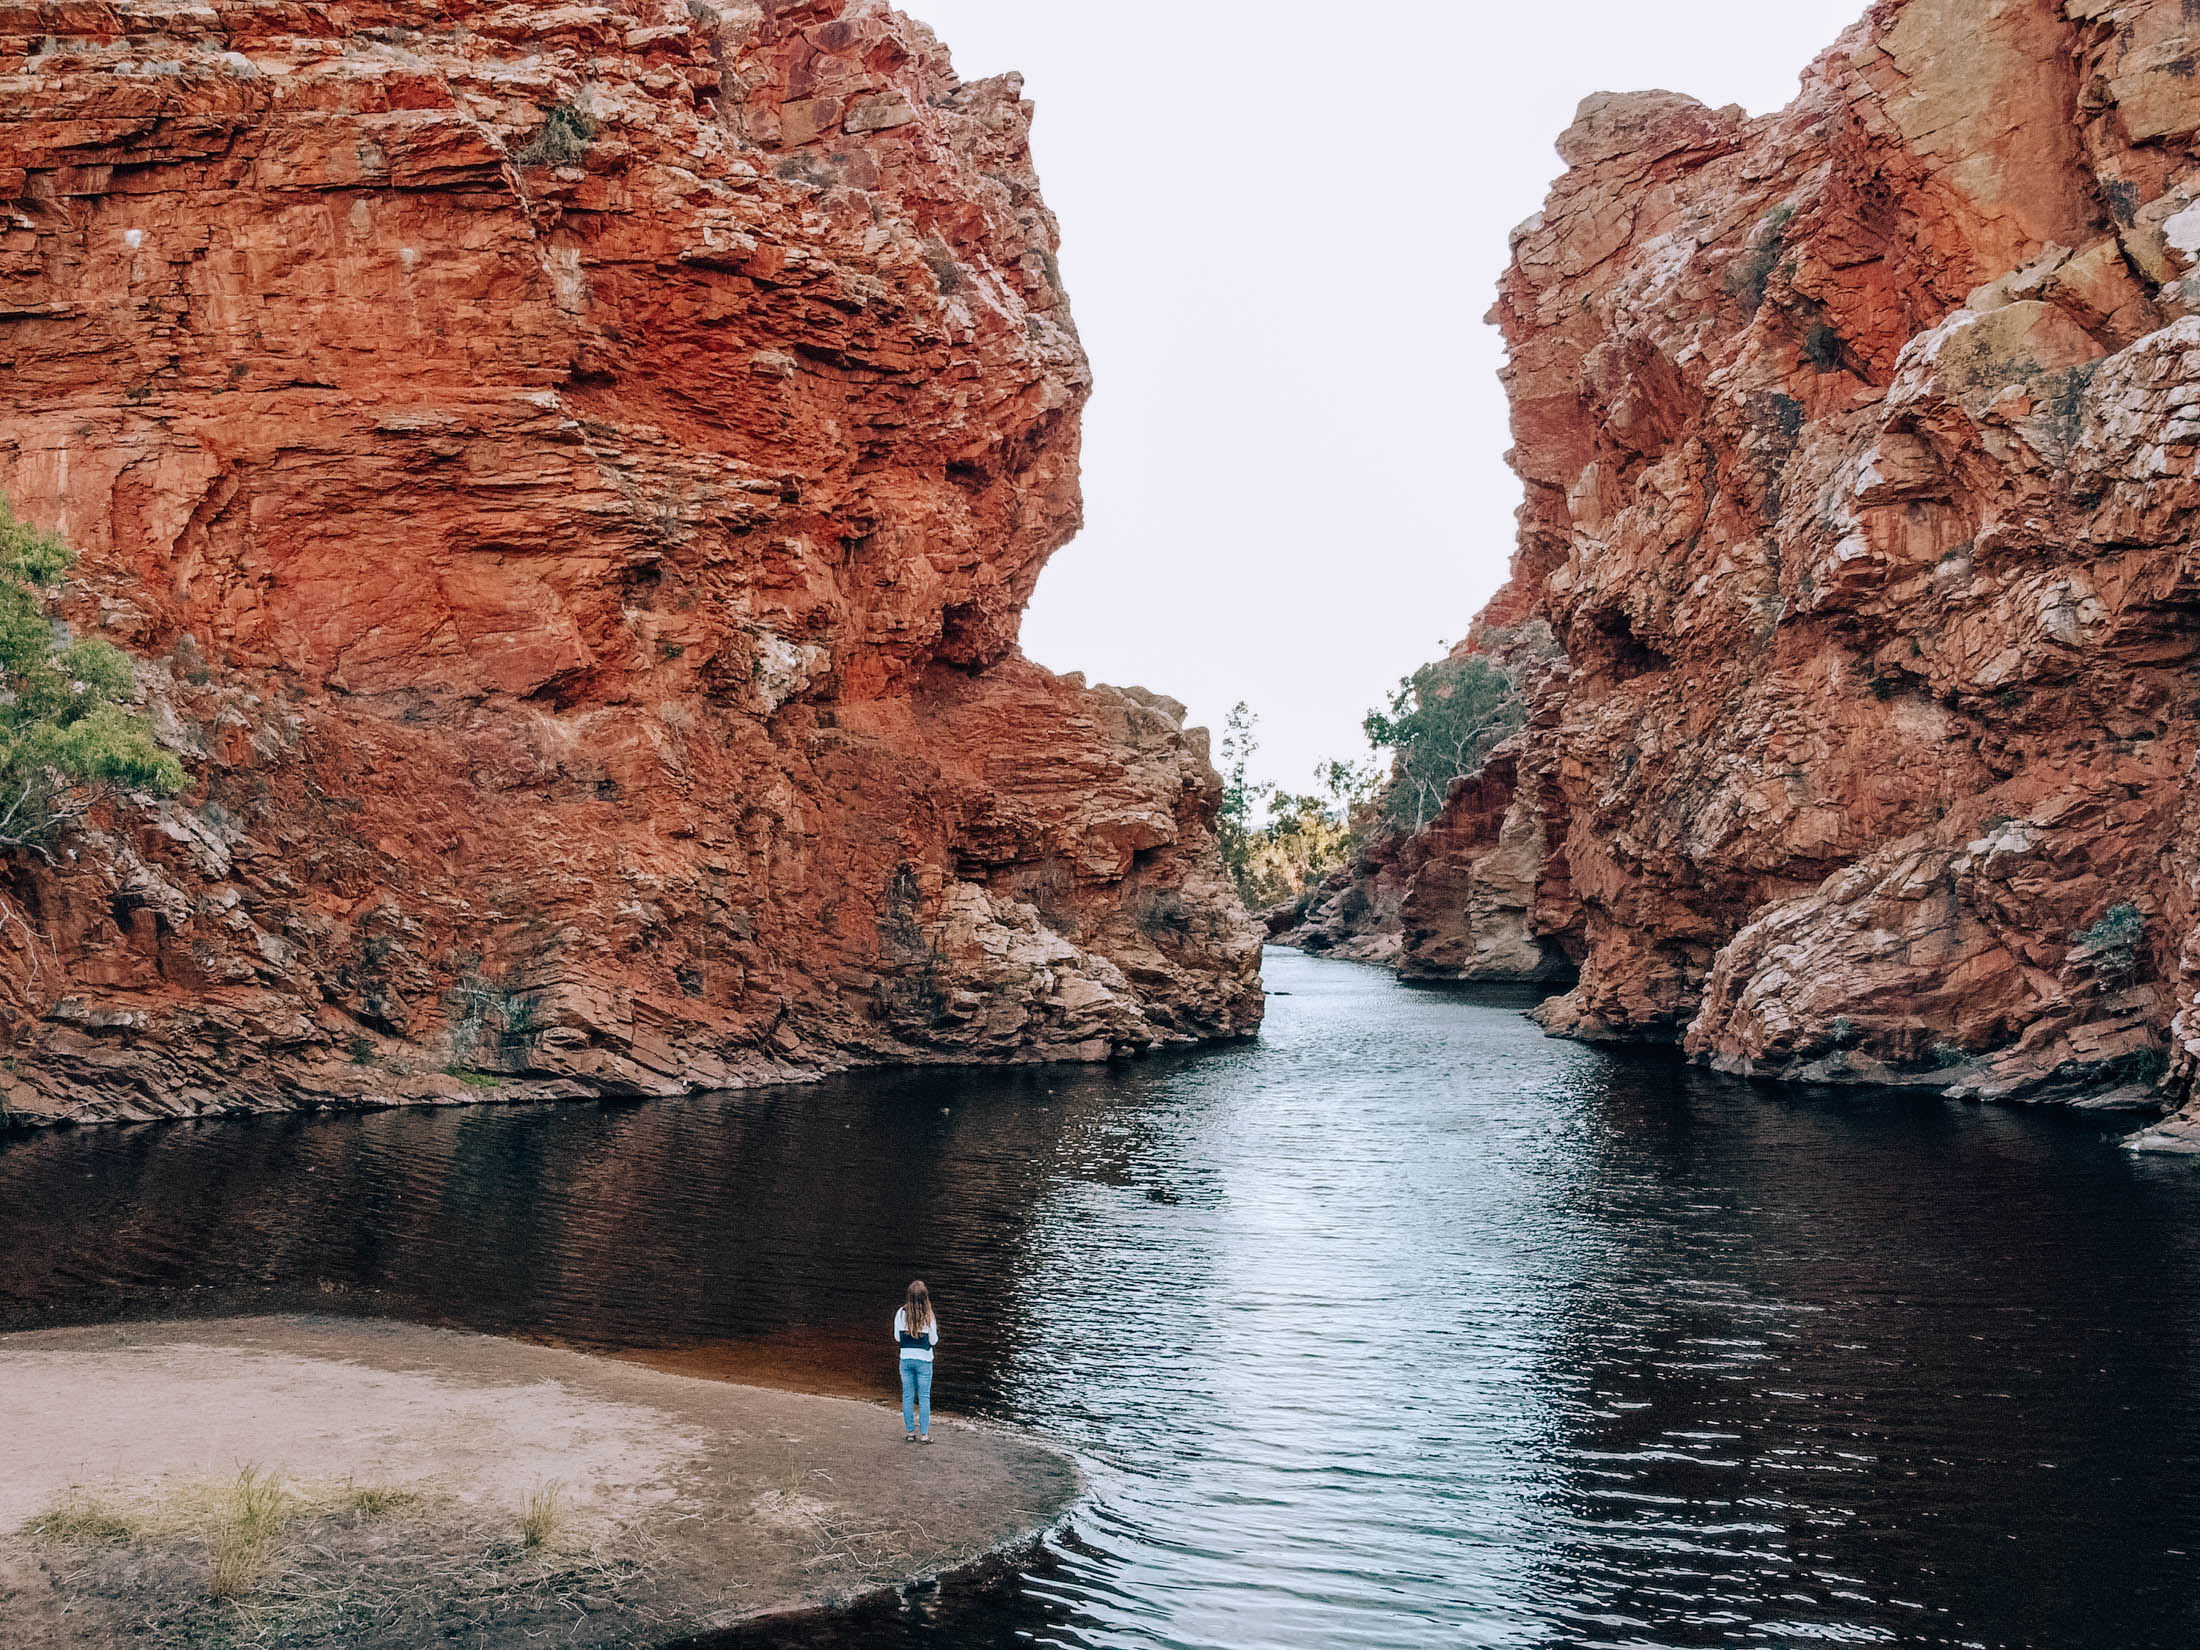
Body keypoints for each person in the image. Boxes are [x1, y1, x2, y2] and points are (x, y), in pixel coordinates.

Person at [895, 1279, 939, 1443]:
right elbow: (933, 1341)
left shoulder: (900, 1313)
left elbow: (896, 1337)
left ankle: (910, 1433)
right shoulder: (929, 1316)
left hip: (906, 1359)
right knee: (924, 1397)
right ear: (925, 1297)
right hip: (924, 1361)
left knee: (907, 1395)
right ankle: (925, 1435)